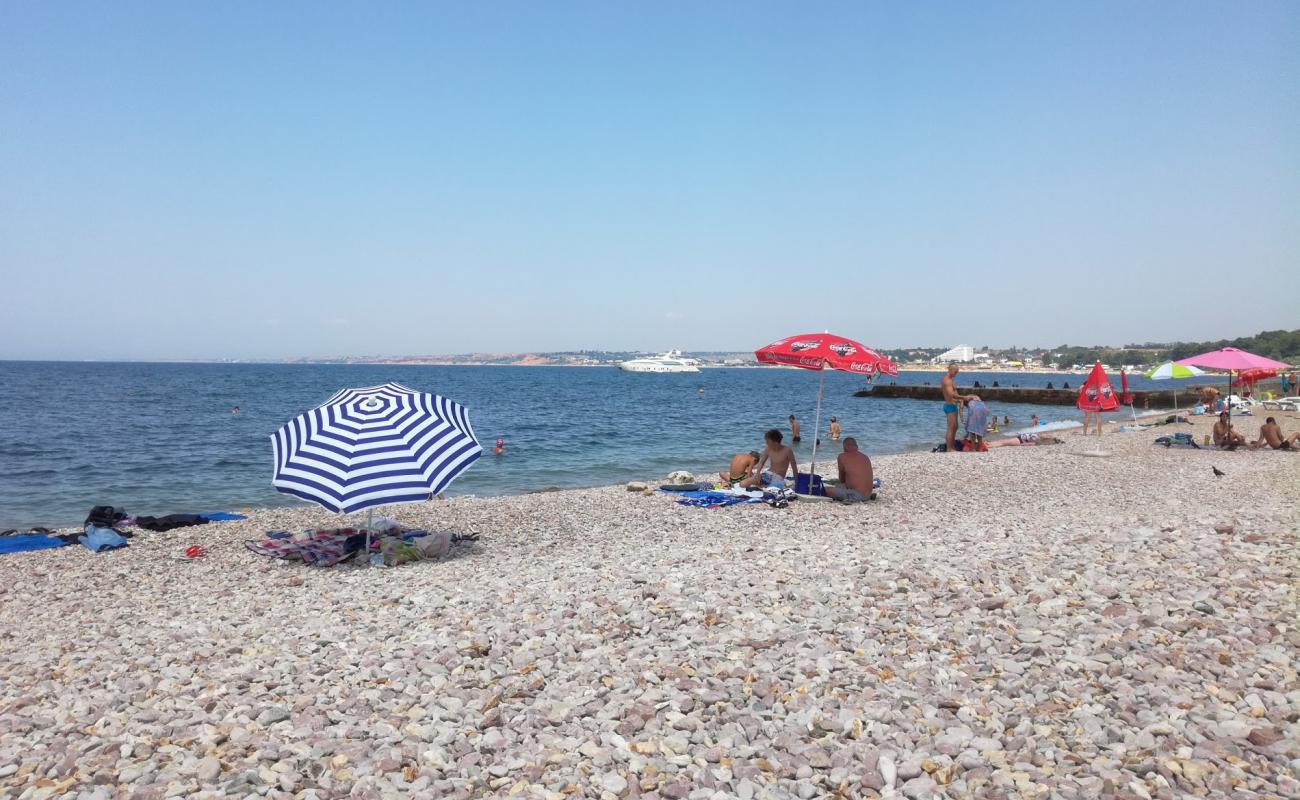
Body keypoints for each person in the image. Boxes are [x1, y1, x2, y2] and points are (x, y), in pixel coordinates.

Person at [824, 438, 875, 503]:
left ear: (845, 446)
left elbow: (842, 480)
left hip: (857, 495)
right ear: (857, 446)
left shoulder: (842, 456)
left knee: (824, 490)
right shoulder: (865, 457)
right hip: (869, 493)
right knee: (838, 486)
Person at [940, 365, 972, 452]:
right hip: (949, 406)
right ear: (950, 370)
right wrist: (964, 397)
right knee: (951, 427)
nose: (956, 373)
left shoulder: (951, 380)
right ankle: (949, 448)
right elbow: (951, 395)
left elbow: (954, 395)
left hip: (953, 405)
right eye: (955, 371)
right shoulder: (946, 380)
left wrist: (960, 401)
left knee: (955, 427)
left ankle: (952, 446)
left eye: (957, 372)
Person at [986, 433, 1064, 448]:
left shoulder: (1038, 441)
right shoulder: (1037, 436)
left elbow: (1029, 444)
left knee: (1003, 443)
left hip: (1019, 441)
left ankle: (989, 446)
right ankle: (988, 443)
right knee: (1003, 441)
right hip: (1018, 438)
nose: (1046, 434)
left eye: (1048, 435)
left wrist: (1019, 445)